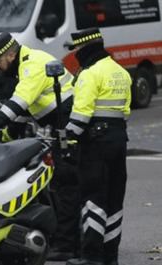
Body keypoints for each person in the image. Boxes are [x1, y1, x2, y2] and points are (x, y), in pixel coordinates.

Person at [0, 32, 81, 261]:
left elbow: (19, 102)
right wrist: (7, 133)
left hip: (69, 127)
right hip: (62, 127)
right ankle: (70, 241)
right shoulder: (24, 65)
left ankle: (67, 246)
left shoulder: (32, 65)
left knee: (66, 187)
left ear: (11, 54)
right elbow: (28, 109)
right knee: (62, 187)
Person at [64, 28, 131, 265]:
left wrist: (68, 138)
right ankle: (110, 257)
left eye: (76, 51)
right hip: (118, 140)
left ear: (84, 49)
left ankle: (91, 257)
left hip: (94, 143)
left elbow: (81, 114)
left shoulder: (89, 74)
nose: (75, 55)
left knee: (93, 199)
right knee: (114, 200)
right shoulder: (121, 72)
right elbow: (125, 112)